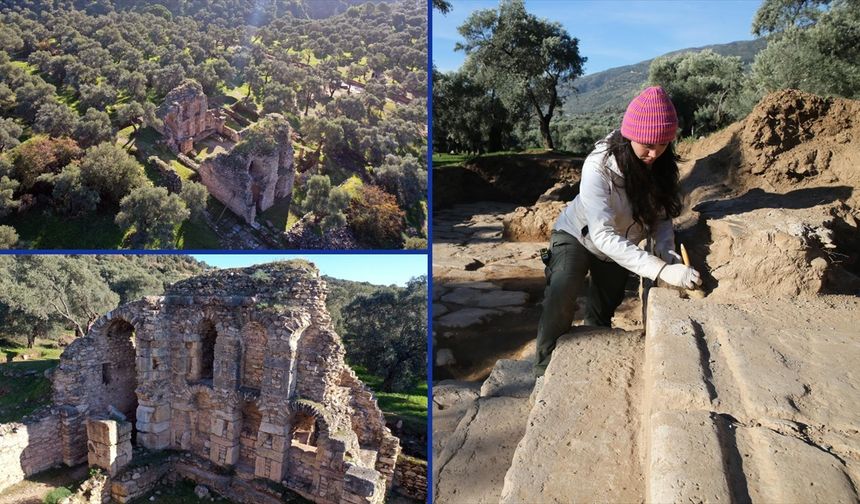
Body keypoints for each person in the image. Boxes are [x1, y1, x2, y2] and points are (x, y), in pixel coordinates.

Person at [534, 86, 701, 377]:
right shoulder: (597, 167)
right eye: (647, 144)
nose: (654, 153)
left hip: (621, 244)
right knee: (563, 291)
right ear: (629, 135)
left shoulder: (661, 165)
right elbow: (601, 235)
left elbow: (661, 216)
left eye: (662, 145)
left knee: (602, 310)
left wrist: (666, 248)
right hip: (578, 234)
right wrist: (661, 271)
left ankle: (591, 367)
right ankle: (544, 369)